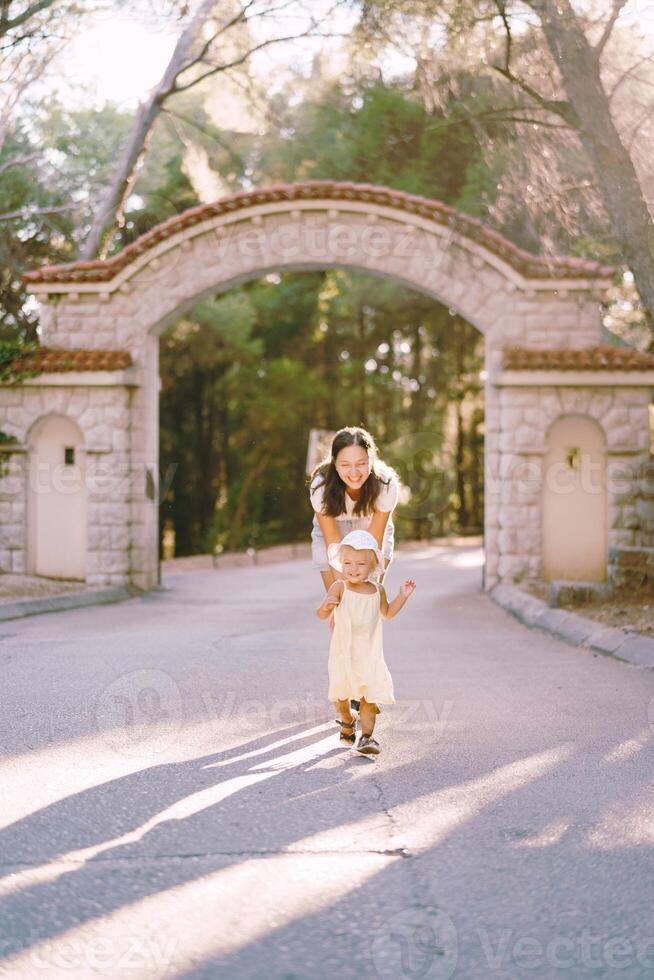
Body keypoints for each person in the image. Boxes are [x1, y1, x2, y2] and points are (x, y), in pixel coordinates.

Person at [316, 529, 416, 757]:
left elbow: (388, 613)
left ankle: (367, 737)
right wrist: (326, 607)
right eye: (348, 563)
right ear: (341, 564)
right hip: (343, 655)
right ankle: (347, 720)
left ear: (372, 566)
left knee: (369, 699)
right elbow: (320, 615)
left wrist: (402, 595)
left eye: (360, 564)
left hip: (370, 655)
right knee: (341, 698)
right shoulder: (339, 587)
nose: (353, 569)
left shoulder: (377, 590)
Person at [308, 426, 400, 593]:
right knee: (339, 600)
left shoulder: (386, 485)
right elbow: (333, 542)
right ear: (334, 463)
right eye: (345, 464)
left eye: (361, 464)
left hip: (370, 529)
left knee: (370, 597)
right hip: (333, 533)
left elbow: (374, 542)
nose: (354, 473)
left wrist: (366, 591)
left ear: (371, 461)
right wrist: (345, 593)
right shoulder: (320, 487)